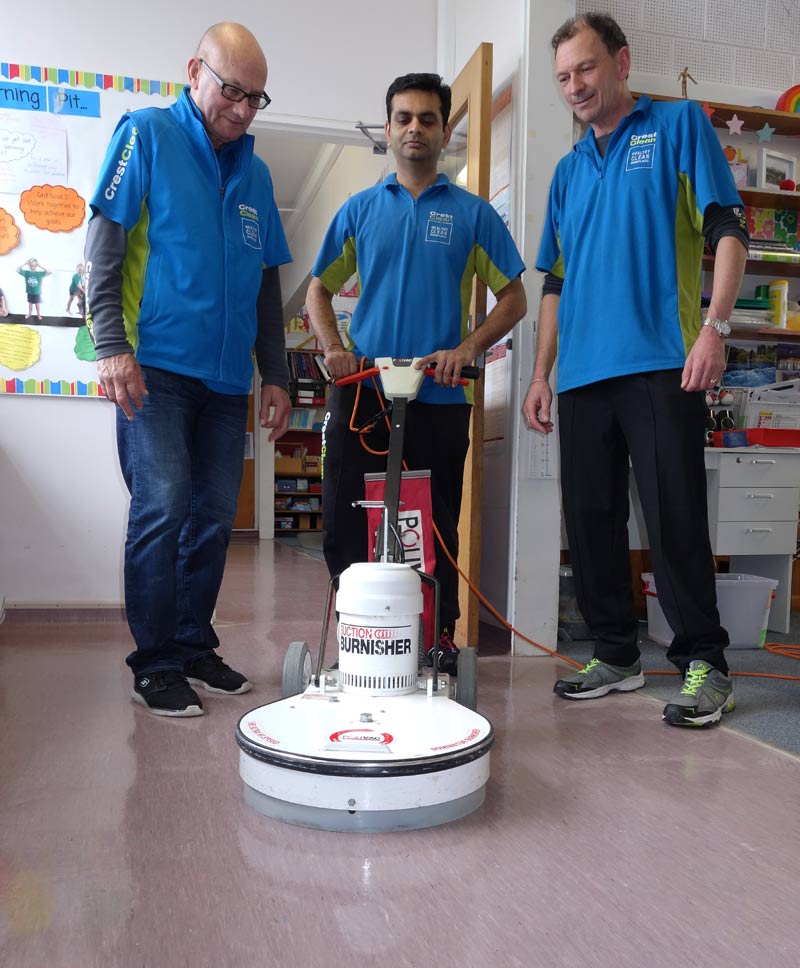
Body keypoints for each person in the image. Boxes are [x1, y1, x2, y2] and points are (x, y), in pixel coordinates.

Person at [523, 13, 749, 726]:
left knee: (673, 514)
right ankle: (616, 653)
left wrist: (714, 329)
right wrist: (540, 374)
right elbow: (553, 284)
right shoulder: (566, 172)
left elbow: (729, 231)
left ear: (620, 61)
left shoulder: (679, 126)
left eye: (585, 69)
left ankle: (706, 665)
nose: (575, 86)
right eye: (562, 77)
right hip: (582, 372)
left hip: (661, 361)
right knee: (589, 521)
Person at [85, 22, 292, 717]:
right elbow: (103, 245)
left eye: (255, 98)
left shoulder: (258, 175)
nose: (240, 108)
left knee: (210, 518)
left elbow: (267, 284)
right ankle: (156, 661)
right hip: (157, 371)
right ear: (194, 71)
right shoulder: (145, 134)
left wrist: (277, 374)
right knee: (163, 507)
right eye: (231, 90)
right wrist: (111, 344)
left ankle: (193, 644)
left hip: (228, 380)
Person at [306, 72, 526, 673]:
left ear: (444, 130)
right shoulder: (359, 211)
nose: (414, 128)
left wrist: (467, 348)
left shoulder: (471, 215)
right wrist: (334, 349)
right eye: (403, 117)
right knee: (347, 512)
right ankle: (356, 628)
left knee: (435, 520)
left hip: (439, 397)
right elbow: (318, 291)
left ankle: (437, 638)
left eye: (427, 118)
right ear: (388, 128)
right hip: (362, 395)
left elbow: (514, 298)